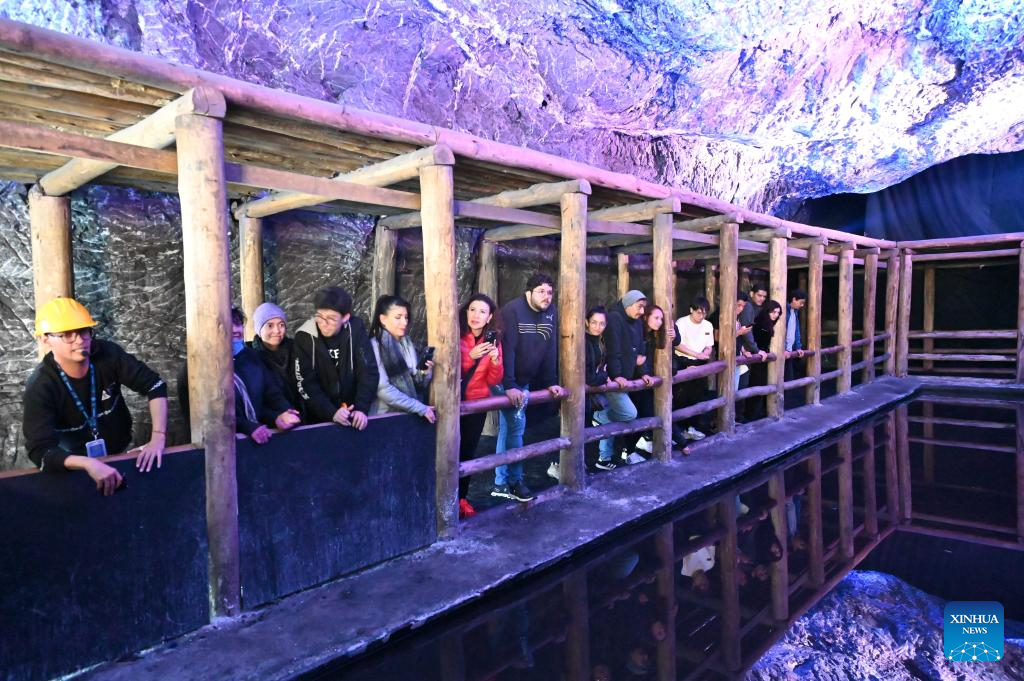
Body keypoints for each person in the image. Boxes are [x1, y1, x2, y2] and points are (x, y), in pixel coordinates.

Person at [23, 297, 168, 495]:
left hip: (120, 451)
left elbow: (155, 386)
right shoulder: (41, 386)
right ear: (45, 338)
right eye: (66, 334)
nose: (79, 339)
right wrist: (88, 464)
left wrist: (158, 437)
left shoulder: (108, 354)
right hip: (74, 467)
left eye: (84, 331)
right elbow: (40, 451)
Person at [491, 273, 566, 503]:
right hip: (502, 378)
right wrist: (510, 386)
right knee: (516, 425)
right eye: (541, 291)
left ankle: (502, 481)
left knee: (510, 428)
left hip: (522, 379)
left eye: (550, 292)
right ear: (529, 292)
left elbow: (550, 347)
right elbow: (508, 350)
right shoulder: (511, 311)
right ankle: (514, 480)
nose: (547, 296)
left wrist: (552, 380)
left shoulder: (551, 312)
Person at [294, 286, 379, 430]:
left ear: (345, 317)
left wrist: (361, 407)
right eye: (320, 316)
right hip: (318, 418)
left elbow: (368, 371)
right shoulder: (304, 336)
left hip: (354, 413)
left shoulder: (356, 328)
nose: (324, 324)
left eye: (331, 318)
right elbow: (305, 382)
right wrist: (331, 412)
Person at [458, 293, 504, 518]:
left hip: (476, 405)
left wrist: (495, 360)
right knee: (447, 452)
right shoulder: (455, 335)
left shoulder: (492, 340)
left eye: (482, 311)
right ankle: (443, 497)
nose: (476, 315)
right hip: (453, 404)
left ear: (489, 317)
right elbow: (447, 371)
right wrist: (470, 357)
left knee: (467, 452)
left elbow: (494, 380)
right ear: (466, 312)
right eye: (472, 309)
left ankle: (462, 498)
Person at [230, 308, 301, 442]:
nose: (235, 330)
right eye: (228, 324)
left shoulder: (250, 357)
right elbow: (210, 415)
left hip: (261, 435)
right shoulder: (202, 367)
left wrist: (283, 414)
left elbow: (269, 395)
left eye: (238, 324)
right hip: (224, 446)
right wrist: (249, 427)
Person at [368, 295, 435, 423]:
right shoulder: (375, 345)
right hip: (384, 417)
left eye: (406, 317)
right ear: (383, 319)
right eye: (398, 317)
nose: (404, 322)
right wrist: (418, 407)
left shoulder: (407, 342)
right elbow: (383, 389)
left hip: (410, 415)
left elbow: (416, 382)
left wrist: (425, 373)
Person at [605, 290, 650, 463]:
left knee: (632, 413)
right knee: (628, 413)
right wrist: (616, 375)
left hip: (630, 376)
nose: (641, 312)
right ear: (628, 304)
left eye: (643, 308)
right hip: (615, 378)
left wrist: (644, 372)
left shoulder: (637, 322)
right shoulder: (615, 318)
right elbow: (613, 349)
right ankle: (606, 455)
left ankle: (607, 457)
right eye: (639, 307)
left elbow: (641, 350)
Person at [580, 305, 625, 473]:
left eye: (601, 323)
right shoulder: (584, 342)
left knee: (607, 417)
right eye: (594, 323)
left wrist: (602, 375)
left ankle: (601, 459)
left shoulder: (600, 341)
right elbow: (589, 376)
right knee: (578, 429)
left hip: (594, 392)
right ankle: (577, 464)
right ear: (586, 322)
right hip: (583, 392)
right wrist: (604, 377)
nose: (597, 327)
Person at [629, 304, 676, 459]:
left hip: (645, 378)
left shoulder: (651, 335)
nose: (659, 322)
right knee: (635, 415)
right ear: (645, 317)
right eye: (656, 318)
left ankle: (640, 445)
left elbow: (672, 341)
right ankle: (628, 451)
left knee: (646, 412)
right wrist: (643, 374)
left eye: (661, 319)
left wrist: (675, 335)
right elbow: (637, 359)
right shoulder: (637, 333)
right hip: (632, 379)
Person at [673, 296, 714, 441]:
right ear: (691, 310)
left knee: (698, 395)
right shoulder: (681, 323)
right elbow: (677, 344)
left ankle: (692, 427)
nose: (701, 316)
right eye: (699, 312)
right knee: (681, 396)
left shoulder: (708, 325)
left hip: (700, 361)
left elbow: (709, 345)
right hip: (683, 361)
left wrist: (705, 354)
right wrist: (696, 354)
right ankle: (679, 430)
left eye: (704, 313)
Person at [249, 301, 302, 413]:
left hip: (304, 418)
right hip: (273, 422)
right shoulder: (251, 357)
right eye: (270, 325)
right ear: (259, 329)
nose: (277, 331)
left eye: (281, 325)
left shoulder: (297, 348)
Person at [747, 300, 783, 421]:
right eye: (773, 312)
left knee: (762, 383)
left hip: (762, 356)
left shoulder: (768, 323)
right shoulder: (760, 322)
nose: (775, 315)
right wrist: (758, 350)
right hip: (756, 357)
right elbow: (753, 338)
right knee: (756, 383)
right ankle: (751, 415)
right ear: (767, 311)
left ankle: (757, 413)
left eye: (778, 313)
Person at [785, 289, 808, 382]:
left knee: (789, 379)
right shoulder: (783, 311)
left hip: (790, 350)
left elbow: (796, 330)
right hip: (783, 351)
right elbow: (780, 331)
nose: (802, 305)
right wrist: (783, 348)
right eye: (801, 302)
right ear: (794, 299)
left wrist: (798, 347)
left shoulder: (795, 312)